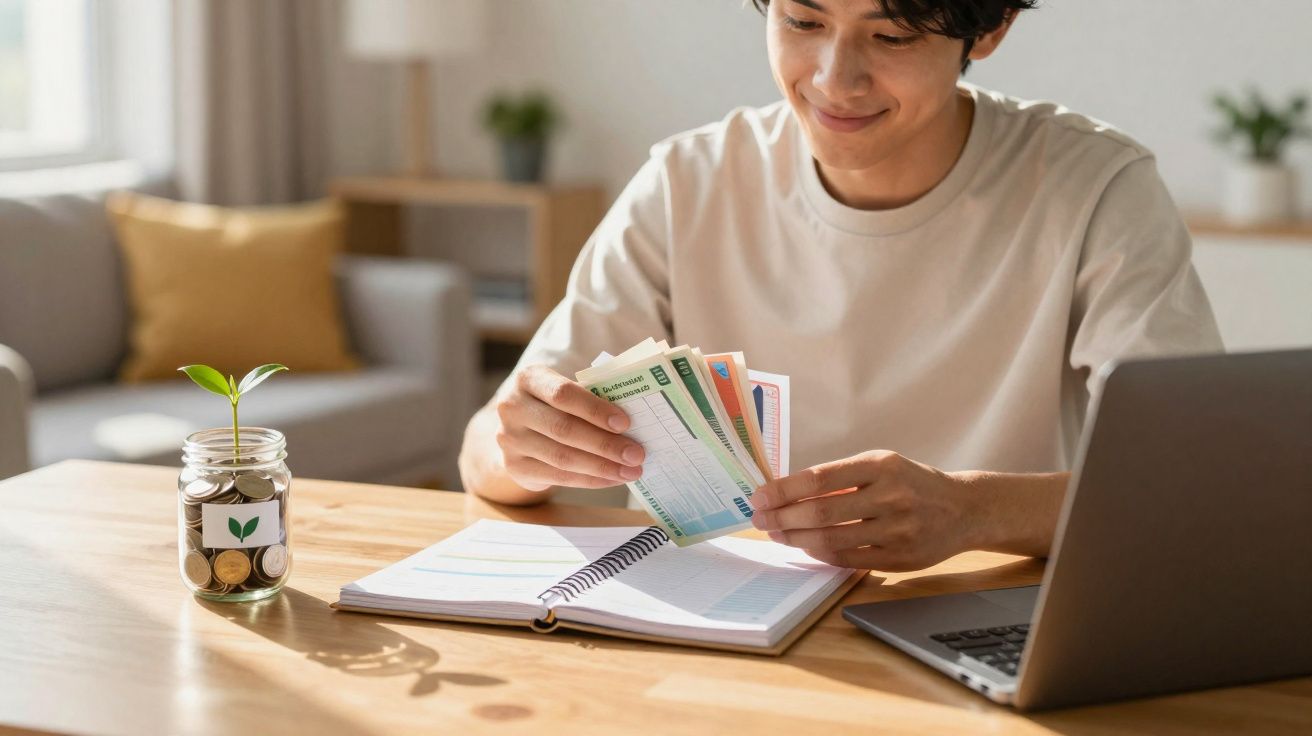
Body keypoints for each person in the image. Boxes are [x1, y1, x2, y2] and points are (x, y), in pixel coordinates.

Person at [458, 0, 1222, 572]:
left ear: (987, 30)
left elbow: (1191, 484)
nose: (834, 79)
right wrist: (519, 446)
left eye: (890, 35)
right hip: (714, 628)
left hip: (971, 615)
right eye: (801, 20)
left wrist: (971, 512)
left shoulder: (1095, 189)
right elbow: (486, 453)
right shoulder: (686, 183)